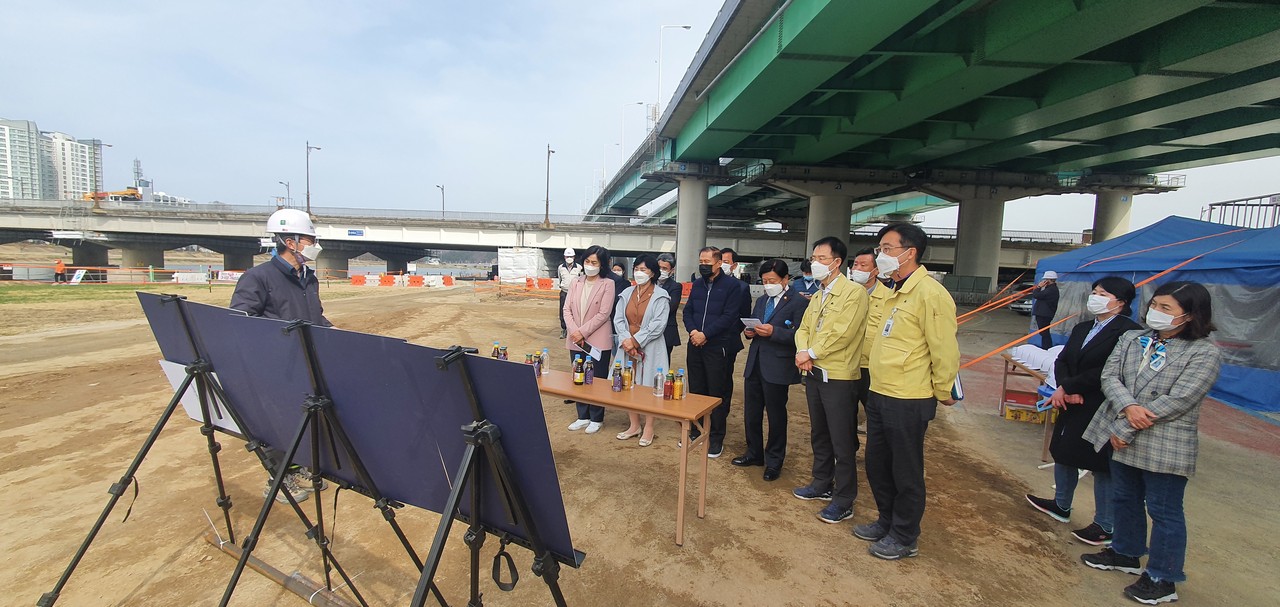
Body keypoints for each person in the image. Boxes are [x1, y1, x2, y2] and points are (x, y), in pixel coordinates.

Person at [1080, 281, 1222, 605]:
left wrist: (1128, 424)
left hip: (1164, 441)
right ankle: (1126, 552)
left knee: (1164, 509)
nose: (1155, 312)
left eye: (1166, 308)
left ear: (1189, 315)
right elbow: (1110, 377)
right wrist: (1128, 407)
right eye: (1154, 305)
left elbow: (1181, 399)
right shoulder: (1133, 339)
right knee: (1125, 498)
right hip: (1124, 429)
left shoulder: (1204, 353)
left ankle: (1163, 576)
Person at [854, 222, 959, 560]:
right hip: (881, 392)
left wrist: (943, 388)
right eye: (879, 249)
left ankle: (904, 534)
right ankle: (886, 520)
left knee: (906, 469)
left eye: (886, 249)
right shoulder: (894, 290)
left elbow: (944, 348)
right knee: (877, 464)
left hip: (909, 398)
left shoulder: (930, 293)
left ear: (909, 252)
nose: (879, 255)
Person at [1025, 277, 1142, 546]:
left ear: (1121, 302)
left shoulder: (1129, 333)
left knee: (1101, 463)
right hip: (1069, 398)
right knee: (1064, 450)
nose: (1095, 297)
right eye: (1094, 292)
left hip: (1101, 402)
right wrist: (1065, 387)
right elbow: (1063, 359)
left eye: (1103, 293)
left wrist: (1073, 387)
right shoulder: (1084, 327)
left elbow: (1111, 371)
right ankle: (1061, 504)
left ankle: (1105, 524)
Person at [230, 208, 332, 504]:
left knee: (308, 419)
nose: (315, 244)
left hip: (307, 363)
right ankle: (278, 478)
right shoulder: (258, 277)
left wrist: (335, 335)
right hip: (275, 366)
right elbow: (240, 320)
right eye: (310, 238)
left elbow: (317, 317)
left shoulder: (308, 278)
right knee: (277, 422)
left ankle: (299, 467)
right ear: (291, 241)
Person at [792, 238, 868, 523]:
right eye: (814, 257)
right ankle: (821, 482)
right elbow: (804, 327)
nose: (815, 263)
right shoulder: (820, 293)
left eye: (822, 258)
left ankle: (845, 498)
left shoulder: (853, 293)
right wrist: (803, 350)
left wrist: (811, 352)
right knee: (819, 433)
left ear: (837, 262)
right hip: (813, 372)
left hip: (838, 376)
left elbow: (842, 333)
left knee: (842, 440)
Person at [734, 259, 807, 481]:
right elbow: (754, 326)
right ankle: (754, 453)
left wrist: (773, 332)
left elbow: (800, 335)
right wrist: (750, 332)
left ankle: (774, 461)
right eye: (764, 281)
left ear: (785, 279)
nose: (768, 285)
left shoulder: (798, 302)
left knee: (776, 416)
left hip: (778, 365)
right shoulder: (762, 299)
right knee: (752, 413)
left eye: (772, 281)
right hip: (755, 363)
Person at [682, 246, 751, 458]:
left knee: (717, 392)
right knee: (696, 389)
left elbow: (730, 316)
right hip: (695, 344)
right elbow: (688, 311)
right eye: (701, 261)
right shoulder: (697, 285)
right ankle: (695, 431)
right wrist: (694, 331)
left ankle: (715, 437)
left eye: (707, 262)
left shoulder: (732, 287)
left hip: (717, 346)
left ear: (719, 263)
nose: (703, 265)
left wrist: (706, 334)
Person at [612, 255, 670, 447]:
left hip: (650, 347)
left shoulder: (661, 296)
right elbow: (618, 319)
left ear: (653, 272)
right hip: (627, 347)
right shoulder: (627, 293)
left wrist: (636, 340)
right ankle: (634, 424)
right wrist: (626, 340)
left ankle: (649, 427)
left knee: (651, 386)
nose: (639, 272)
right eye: (637, 268)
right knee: (629, 383)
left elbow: (658, 324)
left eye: (644, 270)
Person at [562, 245, 617, 434]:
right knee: (578, 376)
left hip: (597, 339)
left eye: (594, 262)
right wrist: (574, 331)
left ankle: (596, 417)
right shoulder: (576, 282)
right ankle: (582, 415)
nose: (590, 265)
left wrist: (582, 332)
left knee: (596, 378)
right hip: (575, 339)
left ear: (602, 265)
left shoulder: (608, 284)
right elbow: (566, 309)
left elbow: (604, 314)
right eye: (587, 261)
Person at [849, 247, 891, 434]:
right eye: (855, 264)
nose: (857, 268)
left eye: (863, 265)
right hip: (846, 364)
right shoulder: (845, 295)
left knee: (875, 414)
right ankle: (846, 455)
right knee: (844, 415)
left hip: (872, 367)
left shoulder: (889, 299)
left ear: (876, 271)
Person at [655, 253, 683, 360]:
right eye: (659, 267)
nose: (661, 270)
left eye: (664, 268)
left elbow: (671, 306)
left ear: (672, 270)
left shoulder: (675, 287)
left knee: (663, 362)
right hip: (646, 330)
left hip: (666, 331)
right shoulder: (648, 283)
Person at [556, 248, 582, 339]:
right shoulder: (561, 267)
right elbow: (560, 279)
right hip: (564, 292)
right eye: (567, 256)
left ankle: (573, 329)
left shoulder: (579, 268)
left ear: (574, 257)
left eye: (571, 256)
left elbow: (581, 280)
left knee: (575, 311)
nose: (569, 258)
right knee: (563, 311)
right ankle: (564, 330)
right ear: (564, 257)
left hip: (575, 293)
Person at [1033, 271, 1061, 349]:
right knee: (1043, 332)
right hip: (1044, 313)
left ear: (1049, 280)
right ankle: (1046, 347)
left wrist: (1038, 287)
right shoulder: (1050, 289)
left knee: (1044, 333)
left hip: (1044, 314)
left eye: (1045, 279)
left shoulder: (1051, 290)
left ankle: (1047, 348)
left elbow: (1036, 295)